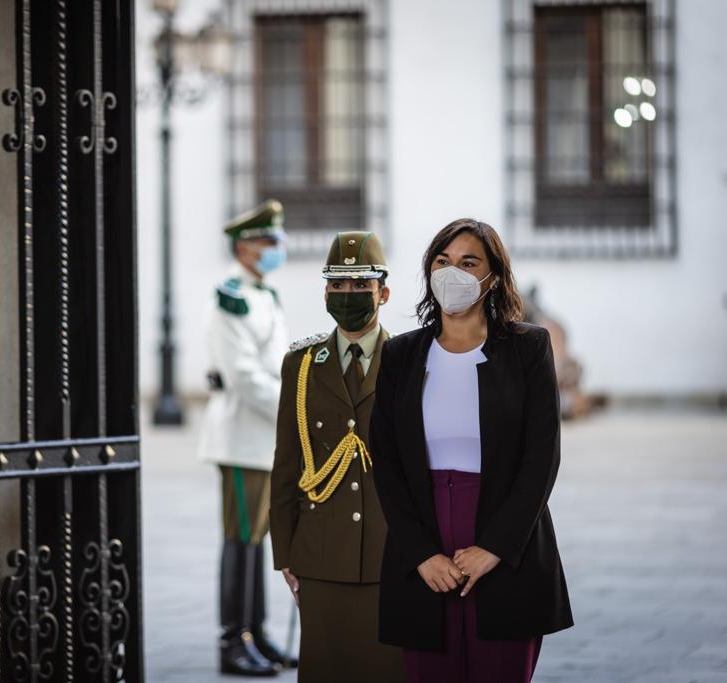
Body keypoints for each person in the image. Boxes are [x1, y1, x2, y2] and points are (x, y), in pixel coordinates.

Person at [369, 218, 573, 682]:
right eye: (442, 261)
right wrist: (421, 554)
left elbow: (542, 457)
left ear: (493, 277)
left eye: (468, 263)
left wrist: (494, 548)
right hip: (425, 540)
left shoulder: (528, 347)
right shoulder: (401, 355)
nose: (452, 273)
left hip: (506, 540)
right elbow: (388, 461)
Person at [269, 231, 405, 683]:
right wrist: (286, 552)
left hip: (392, 552)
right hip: (321, 554)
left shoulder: (408, 360)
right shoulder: (302, 363)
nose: (349, 294)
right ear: (325, 292)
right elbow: (287, 463)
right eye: (338, 285)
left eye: (361, 285)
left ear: (383, 293)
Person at [197, 199, 293, 676]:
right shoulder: (230, 297)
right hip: (241, 436)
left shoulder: (264, 294)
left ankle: (256, 633)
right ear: (243, 248)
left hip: (264, 437)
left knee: (257, 539)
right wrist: (292, 408)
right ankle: (232, 640)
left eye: (277, 239)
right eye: (267, 240)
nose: (276, 247)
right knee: (240, 539)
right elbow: (243, 375)